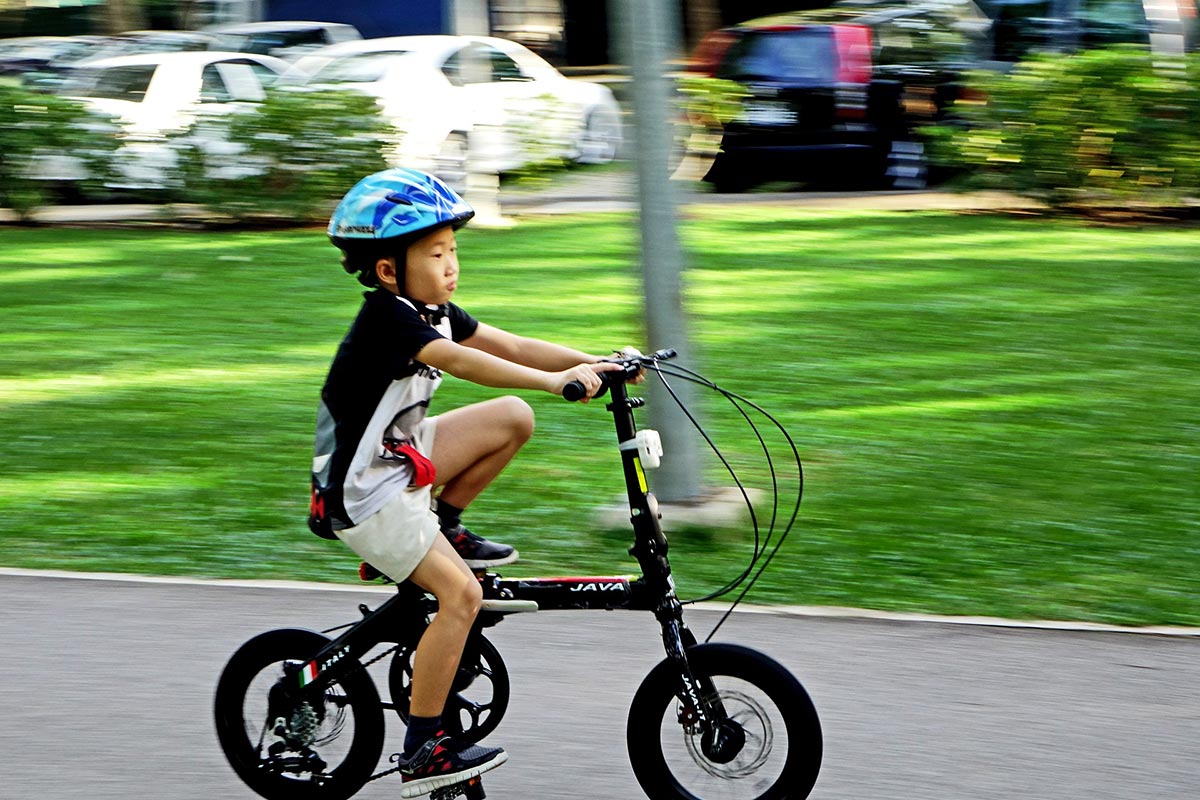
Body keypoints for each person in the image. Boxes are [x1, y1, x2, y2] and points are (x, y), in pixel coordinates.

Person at [307, 167, 622, 795]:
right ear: (389, 268)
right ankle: (425, 746)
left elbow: (512, 344)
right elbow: (466, 362)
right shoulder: (389, 321)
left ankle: (444, 524)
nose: (451, 264)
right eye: (435, 252)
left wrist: (594, 360)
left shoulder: (435, 309)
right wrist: (558, 382)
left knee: (512, 418)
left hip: (398, 461)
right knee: (461, 597)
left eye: (453, 250)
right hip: (365, 493)